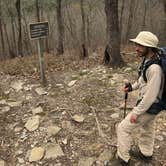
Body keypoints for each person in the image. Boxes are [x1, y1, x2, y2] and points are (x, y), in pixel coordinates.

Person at [111, 31, 165, 166]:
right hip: (152, 106)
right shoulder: (149, 60)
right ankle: (146, 154)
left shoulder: (155, 68)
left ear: (149, 47)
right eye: (136, 44)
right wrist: (132, 88)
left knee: (123, 128)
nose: (136, 47)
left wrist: (136, 112)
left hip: (151, 105)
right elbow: (143, 80)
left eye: (140, 45)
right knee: (148, 127)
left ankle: (123, 159)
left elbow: (150, 96)